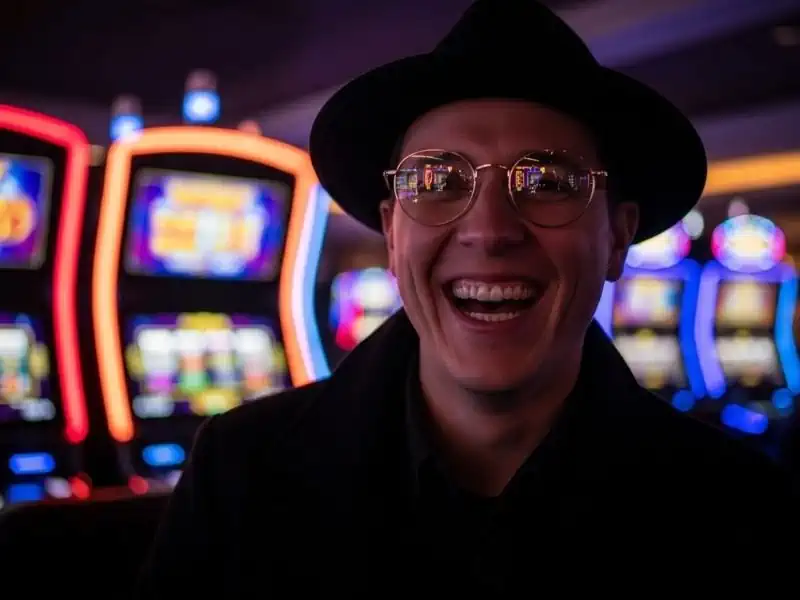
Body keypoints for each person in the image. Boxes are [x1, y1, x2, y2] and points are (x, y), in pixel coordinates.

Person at [137, 0, 796, 595]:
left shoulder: (740, 504)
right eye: (436, 180)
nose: (490, 230)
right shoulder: (239, 469)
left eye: (548, 182)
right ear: (392, 232)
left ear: (617, 238)